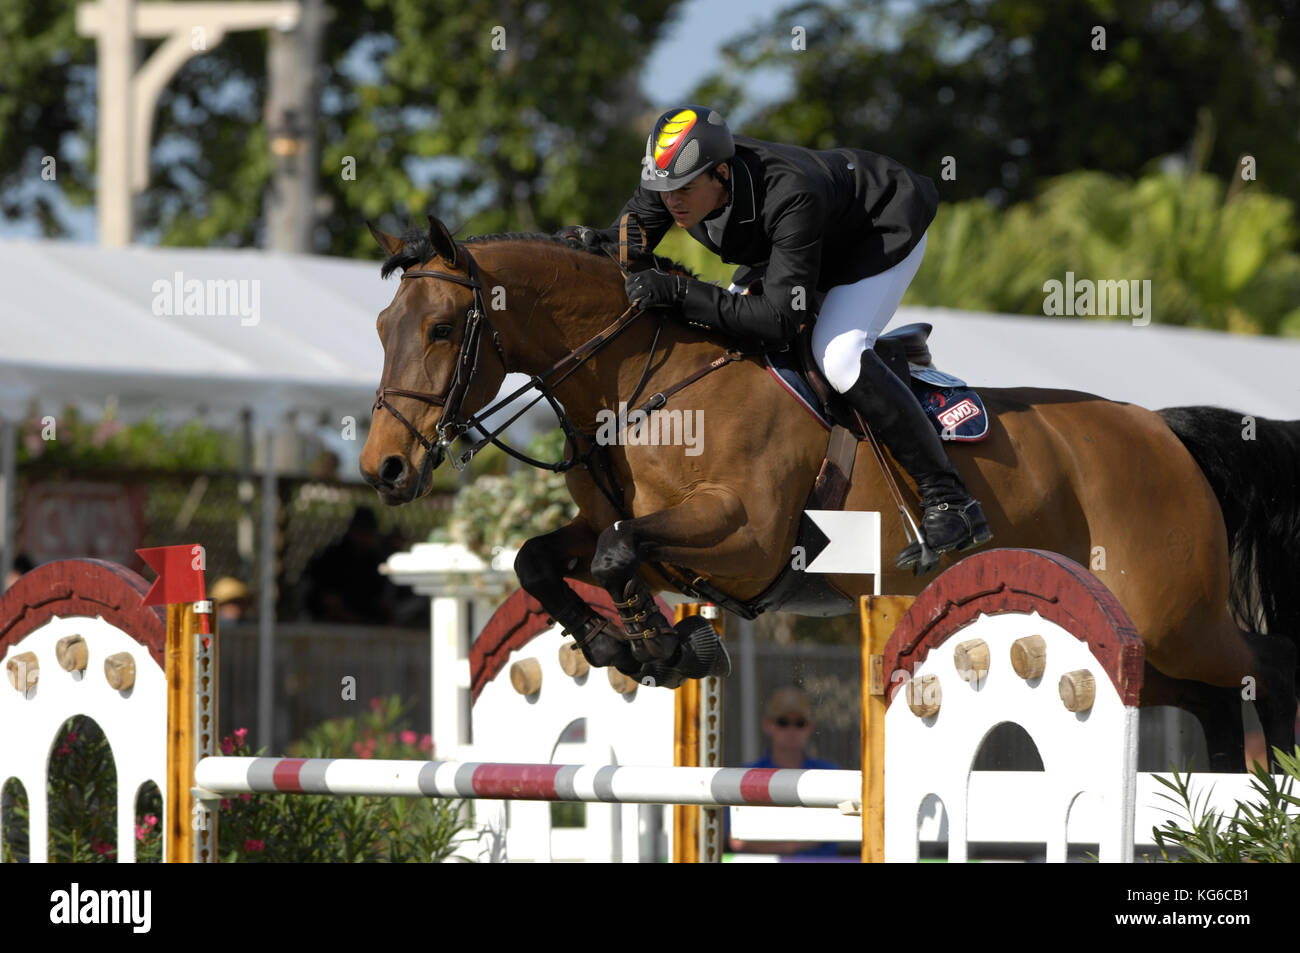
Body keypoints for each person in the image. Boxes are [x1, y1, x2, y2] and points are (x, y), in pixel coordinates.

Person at [561, 106, 991, 570]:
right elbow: (628, 240)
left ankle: (950, 499)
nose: (672, 203)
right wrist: (585, 246)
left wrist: (684, 292)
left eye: (684, 190)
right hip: (801, 243)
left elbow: (778, 320)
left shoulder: (791, 192)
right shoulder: (670, 178)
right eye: (662, 192)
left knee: (839, 355)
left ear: (721, 173)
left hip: (877, 231)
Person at [727, 686, 840, 857]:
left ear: (810, 726)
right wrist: (796, 844)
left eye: (799, 723)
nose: (791, 730)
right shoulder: (746, 776)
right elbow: (738, 841)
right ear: (767, 725)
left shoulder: (831, 774)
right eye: (783, 722)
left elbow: (839, 829)